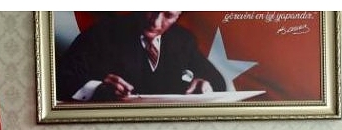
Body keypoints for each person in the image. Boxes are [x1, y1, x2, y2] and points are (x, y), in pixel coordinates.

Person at [56, 12, 227, 101]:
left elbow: (217, 81)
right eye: (152, 9)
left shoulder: (182, 39)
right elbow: (61, 77)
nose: (155, 22)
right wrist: (97, 88)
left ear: (178, 16)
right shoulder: (103, 32)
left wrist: (205, 85)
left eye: (168, 15)